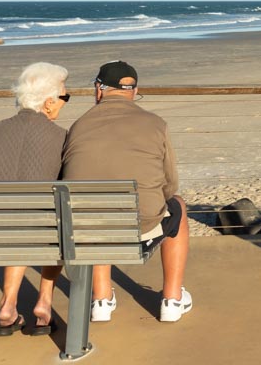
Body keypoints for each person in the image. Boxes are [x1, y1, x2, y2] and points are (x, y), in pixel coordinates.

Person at [61, 61, 192, 323]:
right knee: (177, 204)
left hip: (87, 226)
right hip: (140, 223)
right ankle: (172, 299)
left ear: (99, 89)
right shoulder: (155, 123)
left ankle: (101, 298)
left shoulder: (78, 125)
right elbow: (170, 183)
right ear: (134, 90)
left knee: (93, 209)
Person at [0, 62, 70, 336]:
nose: (65, 102)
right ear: (49, 103)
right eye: (65, 97)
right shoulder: (61, 137)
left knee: (18, 219)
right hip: (39, 230)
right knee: (59, 221)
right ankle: (44, 302)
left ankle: (7, 305)